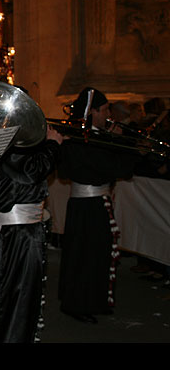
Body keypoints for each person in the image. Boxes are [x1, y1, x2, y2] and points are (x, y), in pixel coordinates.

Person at [0, 124, 63, 343]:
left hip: (19, 230)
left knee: (14, 298)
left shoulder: (5, 140)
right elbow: (32, 172)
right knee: (13, 299)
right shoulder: (6, 140)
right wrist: (52, 145)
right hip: (16, 232)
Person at [57, 87, 139, 324]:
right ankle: (78, 303)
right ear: (91, 112)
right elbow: (114, 168)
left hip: (96, 203)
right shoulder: (79, 140)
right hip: (87, 206)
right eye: (103, 110)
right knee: (85, 256)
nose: (108, 115)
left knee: (99, 255)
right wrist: (116, 142)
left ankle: (96, 300)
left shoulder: (95, 137)